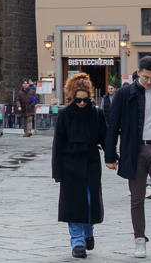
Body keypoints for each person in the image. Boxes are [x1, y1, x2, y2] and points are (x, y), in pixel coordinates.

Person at [104, 56, 151, 260]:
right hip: (134, 152)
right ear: (138, 72)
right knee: (137, 200)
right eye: (146, 77)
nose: (149, 82)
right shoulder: (123, 94)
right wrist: (110, 155)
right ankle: (140, 240)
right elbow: (112, 125)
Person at [52, 72, 107, 259]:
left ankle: (88, 231)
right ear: (71, 97)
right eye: (78, 100)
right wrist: (57, 172)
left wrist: (112, 157)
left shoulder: (98, 114)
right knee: (73, 203)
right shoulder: (64, 114)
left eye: (85, 100)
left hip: (91, 162)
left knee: (90, 200)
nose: (82, 103)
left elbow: (105, 138)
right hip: (69, 165)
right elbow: (57, 144)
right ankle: (77, 241)